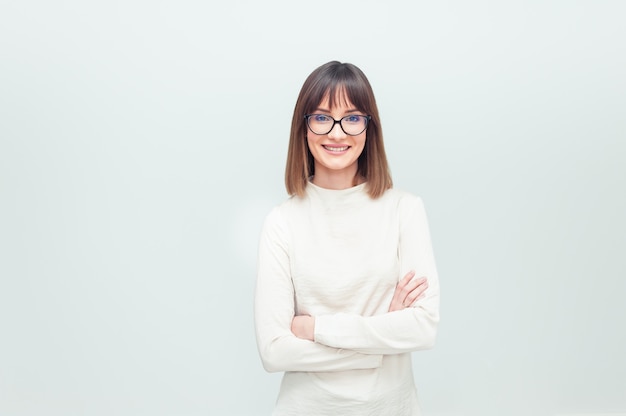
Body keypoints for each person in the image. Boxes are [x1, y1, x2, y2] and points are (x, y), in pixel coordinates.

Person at [254, 60, 440, 416]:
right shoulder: (282, 222)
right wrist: (382, 337)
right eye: (322, 117)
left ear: (370, 128)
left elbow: (422, 329)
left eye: (352, 118)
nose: (337, 133)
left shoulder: (405, 210)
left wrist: (316, 328)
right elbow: (274, 351)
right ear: (303, 128)